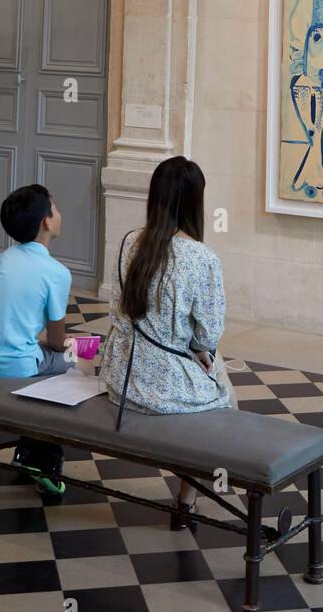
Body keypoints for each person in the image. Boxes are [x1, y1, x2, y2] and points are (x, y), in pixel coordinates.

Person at [101, 155, 237, 527]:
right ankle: (186, 503)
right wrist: (201, 352)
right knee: (225, 398)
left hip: (121, 376)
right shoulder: (201, 257)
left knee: (210, 366)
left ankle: (187, 501)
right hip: (164, 387)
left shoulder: (131, 242)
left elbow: (117, 312)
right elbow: (208, 333)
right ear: (196, 201)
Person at [0, 183, 72, 495]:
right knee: (76, 366)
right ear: (47, 222)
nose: (59, 213)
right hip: (14, 364)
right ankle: (48, 460)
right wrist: (73, 347)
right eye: (56, 207)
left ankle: (27, 452)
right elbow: (55, 340)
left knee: (43, 356)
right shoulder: (57, 272)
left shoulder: (6, 257)